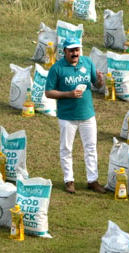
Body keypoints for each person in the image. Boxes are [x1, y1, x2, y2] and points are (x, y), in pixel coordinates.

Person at [44, 37, 106, 194]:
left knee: (91, 147)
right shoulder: (57, 68)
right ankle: (69, 180)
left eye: (77, 50)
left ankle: (93, 180)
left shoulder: (87, 62)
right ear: (64, 51)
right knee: (66, 148)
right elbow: (48, 92)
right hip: (67, 117)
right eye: (71, 50)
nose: (75, 53)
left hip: (87, 115)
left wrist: (100, 81)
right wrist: (69, 94)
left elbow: (96, 84)